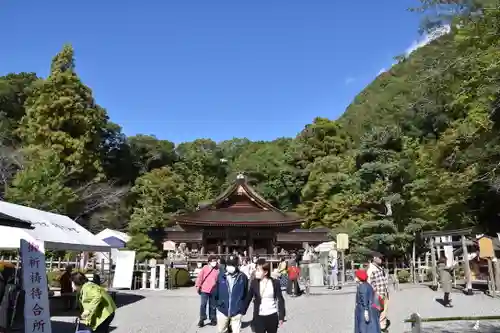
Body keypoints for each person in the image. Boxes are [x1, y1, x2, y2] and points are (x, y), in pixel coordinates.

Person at [245, 261, 285, 333]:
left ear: (265, 272)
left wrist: (281, 316)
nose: (255, 272)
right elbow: (248, 298)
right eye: (256, 270)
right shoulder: (254, 283)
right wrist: (241, 311)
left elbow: (280, 300)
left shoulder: (275, 283)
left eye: (258, 270)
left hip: (272, 315)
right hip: (259, 316)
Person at [213, 255, 249, 333]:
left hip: (237, 310)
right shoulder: (221, 276)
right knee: (221, 330)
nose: (230, 267)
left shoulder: (243, 277)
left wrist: (243, 308)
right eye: (229, 264)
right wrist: (217, 305)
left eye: (232, 265)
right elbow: (215, 292)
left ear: (237, 265)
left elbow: (246, 294)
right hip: (222, 309)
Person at [367, 252, 390, 332]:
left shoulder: (379, 268)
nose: (381, 259)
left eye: (381, 258)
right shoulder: (371, 269)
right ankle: (376, 327)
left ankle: (382, 326)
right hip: (377, 294)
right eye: (379, 258)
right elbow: (369, 283)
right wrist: (374, 294)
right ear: (374, 258)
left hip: (384, 292)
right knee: (377, 312)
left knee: (384, 311)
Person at [195, 255, 219, 327]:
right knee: (203, 304)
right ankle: (202, 319)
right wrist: (198, 286)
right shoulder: (205, 268)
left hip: (214, 289)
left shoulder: (217, 269)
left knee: (213, 305)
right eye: (213, 261)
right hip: (204, 289)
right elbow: (200, 277)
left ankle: (213, 319)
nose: (214, 262)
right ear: (209, 262)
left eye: (215, 261)